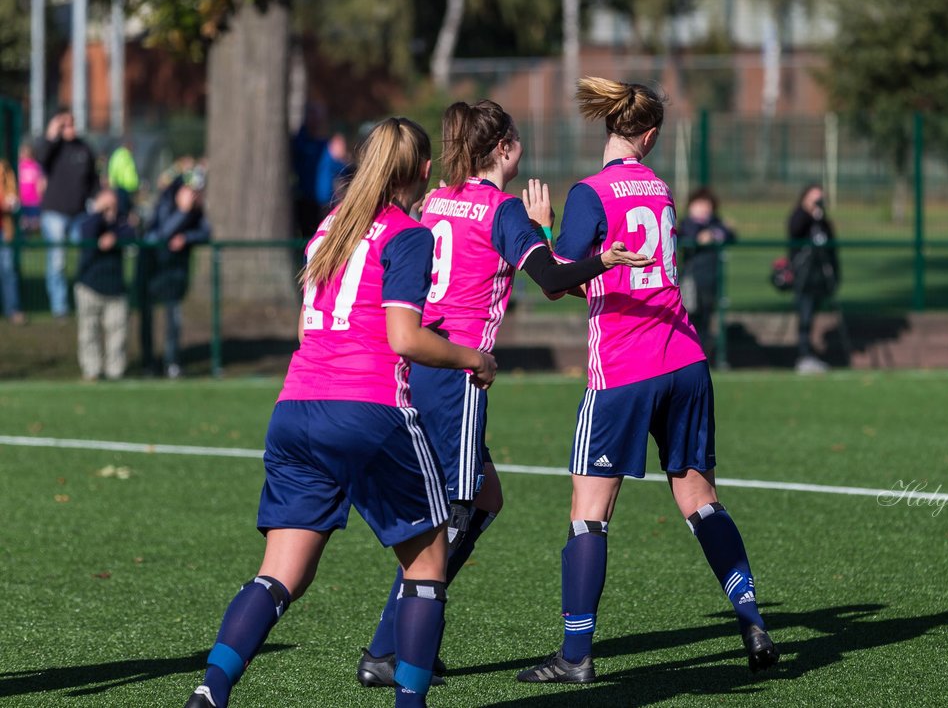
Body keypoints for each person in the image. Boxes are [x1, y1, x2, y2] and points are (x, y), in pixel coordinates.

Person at [183, 116, 498, 708]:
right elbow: (404, 339)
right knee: (428, 564)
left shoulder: (330, 227)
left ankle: (211, 689)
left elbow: (318, 322)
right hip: (368, 410)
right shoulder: (407, 234)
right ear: (425, 173)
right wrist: (470, 357)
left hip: (296, 409)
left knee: (279, 574)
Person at [355, 100, 653, 689]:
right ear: (503, 149)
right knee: (455, 509)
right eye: (516, 138)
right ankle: (390, 647)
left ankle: (401, 636)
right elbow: (551, 279)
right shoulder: (500, 210)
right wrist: (600, 257)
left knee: (485, 498)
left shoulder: (437, 196)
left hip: (416, 364)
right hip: (459, 375)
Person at [516, 78, 779, 685]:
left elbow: (561, 279)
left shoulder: (591, 192)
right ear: (651, 136)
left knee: (590, 515)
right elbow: (621, 273)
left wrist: (541, 231)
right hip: (684, 358)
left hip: (625, 368)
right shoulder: (659, 189)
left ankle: (576, 654)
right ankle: (751, 619)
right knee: (700, 500)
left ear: (609, 125)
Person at [145, 176, 211, 377]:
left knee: (174, 320)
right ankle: (149, 363)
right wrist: (182, 212)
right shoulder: (167, 205)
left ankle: (171, 362)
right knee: (150, 320)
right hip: (154, 271)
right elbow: (163, 233)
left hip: (176, 274)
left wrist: (186, 237)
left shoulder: (195, 212)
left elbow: (206, 232)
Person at [38, 111, 99, 318]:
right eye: (65, 126)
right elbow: (41, 159)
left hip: (79, 213)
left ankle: (86, 301)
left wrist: (97, 201)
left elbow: (93, 181)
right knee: (57, 260)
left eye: (72, 125)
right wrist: (51, 134)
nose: (69, 129)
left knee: (87, 255)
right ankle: (60, 307)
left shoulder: (84, 148)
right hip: (55, 213)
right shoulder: (54, 148)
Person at [74, 189, 132, 380]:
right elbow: (86, 231)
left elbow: (131, 233)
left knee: (117, 333)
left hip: (115, 287)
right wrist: (99, 213)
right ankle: (92, 370)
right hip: (89, 285)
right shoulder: (88, 220)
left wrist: (113, 238)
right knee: (88, 332)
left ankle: (115, 371)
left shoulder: (122, 222)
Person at [676, 187, 735, 357]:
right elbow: (690, 235)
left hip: (711, 279)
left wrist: (714, 233)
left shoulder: (714, 223)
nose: (703, 208)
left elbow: (729, 232)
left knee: (706, 318)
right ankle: (688, 355)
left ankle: (701, 354)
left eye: (706, 204)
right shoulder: (688, 223)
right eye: (699, 204)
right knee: (690, 317)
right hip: (692, 280)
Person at [788, 184, 840, 372]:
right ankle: (804, 356)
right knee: (805, 315)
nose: (818, 202)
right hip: (803, 276)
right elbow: (795, 229)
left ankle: (808, 354)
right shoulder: (800, 216)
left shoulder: (822, 220)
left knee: (812, 315)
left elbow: (831, 245)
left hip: (819, 276)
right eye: (814, 197)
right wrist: (808, 212)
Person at [0, 156, 24, 324]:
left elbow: (13, 194)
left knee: (8, 269)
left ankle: (12, 309)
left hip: (4, 228)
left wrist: (12, 202)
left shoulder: (5, 168)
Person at [106, 139, 140, 219]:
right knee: (123, 211)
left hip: (129, 188)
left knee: (129, 212)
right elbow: (114, 170)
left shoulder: (127, 155)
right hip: (122, 187)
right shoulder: (120, 155)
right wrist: (113, 184)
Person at [17, 143, 44, 236]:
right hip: (21, 199)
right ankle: (24, 238)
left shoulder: (36, 166)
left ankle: (30, 238)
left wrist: (40, 194)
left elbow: (40, 182)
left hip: (33, 200)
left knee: (34, 223)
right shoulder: (18, 166)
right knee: (22, 222)